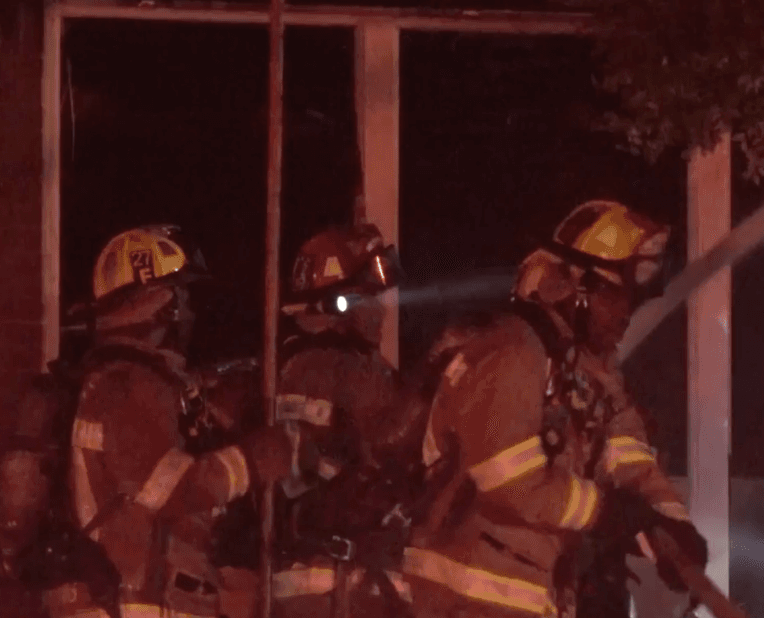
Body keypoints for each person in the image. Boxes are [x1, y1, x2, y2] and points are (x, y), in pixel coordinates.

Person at [401, 200, 709, 618]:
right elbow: (509, 481)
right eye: (614, 296)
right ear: (573, 288)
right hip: (465, 594)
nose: (625, 313)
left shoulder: (588, 373)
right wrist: (604, 510)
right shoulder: (513, 351)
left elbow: (628, 454)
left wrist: (672, 523)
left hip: (525, 596)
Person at [44, 224, 293, 618]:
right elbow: (173, 490)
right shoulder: (131, 385)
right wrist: (252, 460)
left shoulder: (115, 381)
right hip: (139, 606)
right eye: (183, 297)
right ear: (161, 302)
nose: (190, 311)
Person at [270, 224, 425, 618]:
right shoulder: (316, 368)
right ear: (339, 302)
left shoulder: (351, 366)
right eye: (370, 295)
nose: (381, 308)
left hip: (362, 584)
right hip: (329, 588)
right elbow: (299, 486)